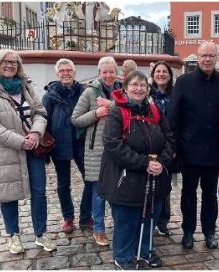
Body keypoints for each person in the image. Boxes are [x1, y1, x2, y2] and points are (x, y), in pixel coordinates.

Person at [0, 49, 56, 254]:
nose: (10, 65)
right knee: (8, 193)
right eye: (6, 62)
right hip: (5, 151)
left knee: (39, 192)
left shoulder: (25, 86)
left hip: (32, 147)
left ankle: (40, 233)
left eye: (14, 62)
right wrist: (20, 141)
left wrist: (36, 133)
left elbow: (40, 111)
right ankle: (13, 235)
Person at [98, 71, 174, 269]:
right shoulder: (117, 112)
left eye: (143, 85)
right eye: (134, 85)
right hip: (126, 180)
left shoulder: (154, 111)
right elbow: (113, 145)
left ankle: (144, 251)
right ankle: (123, 257)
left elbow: (169, 139)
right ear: (125, 88)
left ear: (148, 89)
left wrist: (162, 163)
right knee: (127, 220)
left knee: (150, 216)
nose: (139, 88)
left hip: (155, 177)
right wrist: (144, 163)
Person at [168, 41, 219, 250]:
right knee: (188, 193)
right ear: (197, 57)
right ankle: (187, 231)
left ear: (217, 58)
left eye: (211, 56)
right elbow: (174, 117)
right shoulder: (184, 81)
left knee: (210, 194)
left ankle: (209, 231)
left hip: (213, 151)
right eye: (204, 55)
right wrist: (175, 149)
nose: (207, 59)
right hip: (189, 150)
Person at [71, 56, 122, 246]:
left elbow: (132, 111)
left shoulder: (122, 91)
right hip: (96, 151)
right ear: (99, 73)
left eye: (112, 71)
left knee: (119, 191)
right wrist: (96, 114)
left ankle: (121, 226)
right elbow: (75, 119)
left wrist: (111, 105)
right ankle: (99, 229)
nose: (109, 75)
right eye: (105, 72)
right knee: (99, 193)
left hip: (119, 148)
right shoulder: (90, 93)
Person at [42, 59, 86, 235]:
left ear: (74, 73)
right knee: (63, 184)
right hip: (59, 145)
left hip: (81, 142)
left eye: (69, 70)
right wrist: (45, 150)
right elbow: (44, 121)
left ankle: (86, 214)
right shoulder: (49, 96)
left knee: (90, 180)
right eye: (62, 71)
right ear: (57, 74)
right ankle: (68, 217)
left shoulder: (83, 91)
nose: (66, 73)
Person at [149, 61, 175, 236]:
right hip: (151, 143)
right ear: (153, 75)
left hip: (169, 143)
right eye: (158, 71)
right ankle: (150, 218)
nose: (161, 74)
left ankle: (163, 220)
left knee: (165, 183)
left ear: (170, 75)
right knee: (150, 183)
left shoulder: (176, 94)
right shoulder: (147, 94)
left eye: (164, 71)